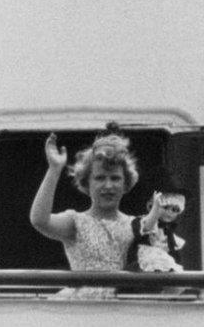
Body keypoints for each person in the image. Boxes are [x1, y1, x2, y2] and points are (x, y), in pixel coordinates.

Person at [29, 124, 140, 298]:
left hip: (123, 309)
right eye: (100, 178)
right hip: (83, 308)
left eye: (115, 178)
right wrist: (54, 169)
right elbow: (39, 220)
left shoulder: (137, 224)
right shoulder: (76, 221)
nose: (108, 185)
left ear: (126, 183)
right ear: (87, 182)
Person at [125, 166, 189, 273]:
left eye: (175, 209)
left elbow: (173, 251)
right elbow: (146, 227)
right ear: (150, 206)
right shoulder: (144, 221)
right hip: (143, 261)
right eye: (165, 207)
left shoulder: (168, 232)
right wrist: (156, 210)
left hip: (163, 264)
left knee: (176, 277)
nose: (169, 212)